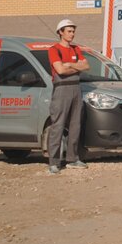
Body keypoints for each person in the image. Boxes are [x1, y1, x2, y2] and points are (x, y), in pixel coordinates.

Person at [46, 19, 90, 175]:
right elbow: (60, 70)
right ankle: (53, 162)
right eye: (69, 31)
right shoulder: (54, 49)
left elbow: (86, 66)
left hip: (76, 88)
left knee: (75, 125)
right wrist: (74, 67)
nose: (72, 34)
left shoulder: (76, 48)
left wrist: (70, 65)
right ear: (60, 32)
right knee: (57, 126)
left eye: (73, 31)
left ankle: (73, 159)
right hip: (61, 89)